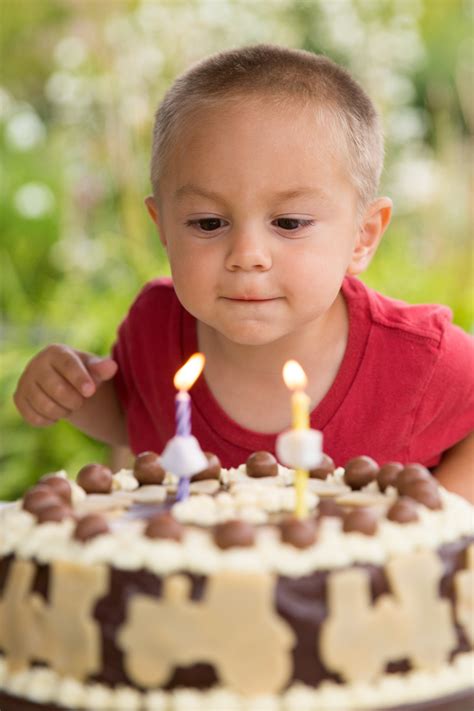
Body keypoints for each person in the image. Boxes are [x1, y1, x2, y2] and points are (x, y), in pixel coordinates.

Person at [13, 45, 474, 501]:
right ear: (165, 229)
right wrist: (74, 393)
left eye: (289, 223)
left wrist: (443, 512)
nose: (248, 255)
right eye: (209, 223)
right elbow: (136, 416)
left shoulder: (420, 358)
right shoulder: (154, 327)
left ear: (363, 236)